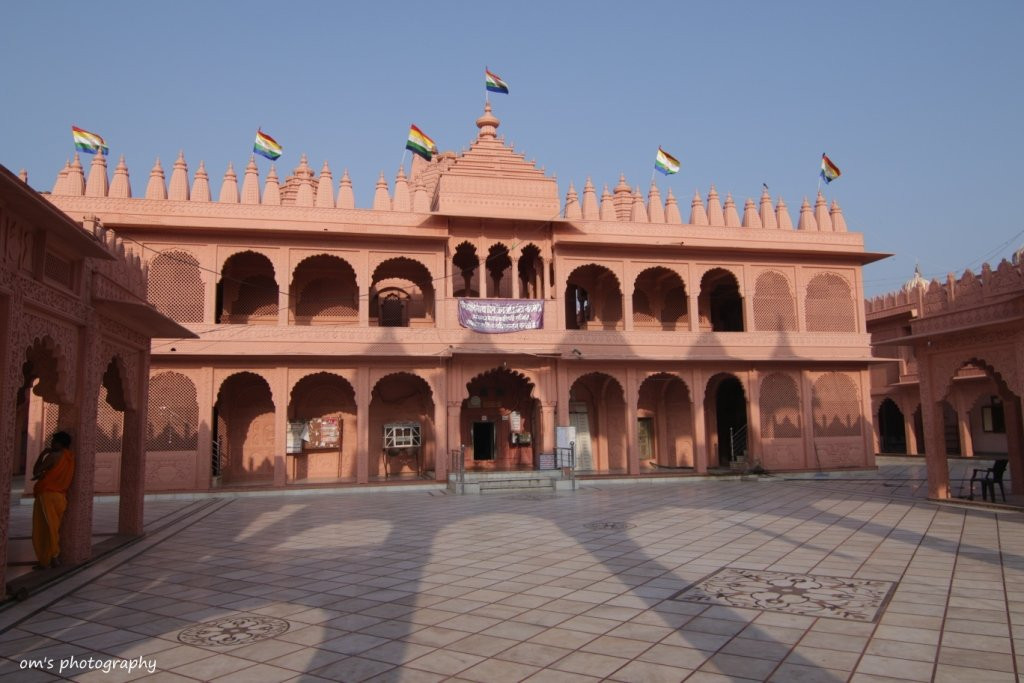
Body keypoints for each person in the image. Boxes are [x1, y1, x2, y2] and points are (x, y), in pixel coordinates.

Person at [31, 431, 75, 570]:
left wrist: (42, 454)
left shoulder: (54, 456)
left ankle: (51, 557)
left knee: (45, 528)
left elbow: (36, 470)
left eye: (54, 441)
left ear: (60, 443)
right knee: (53, 527)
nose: (52, 444)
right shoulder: (70, 457)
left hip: (47, 495)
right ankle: (49, 557)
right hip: (61, 497)